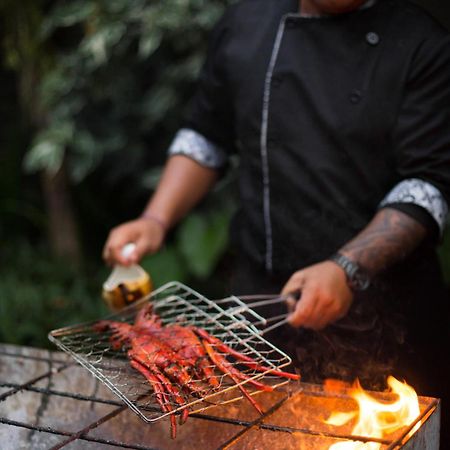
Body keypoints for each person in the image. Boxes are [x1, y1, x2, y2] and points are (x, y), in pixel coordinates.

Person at [104, 0, 450, 443]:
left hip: (387, 324)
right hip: (260, 314)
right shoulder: (247, 20)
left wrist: (347, 267)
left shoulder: (422, 45)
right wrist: (156, 217)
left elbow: (426, 186)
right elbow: (206, 134)